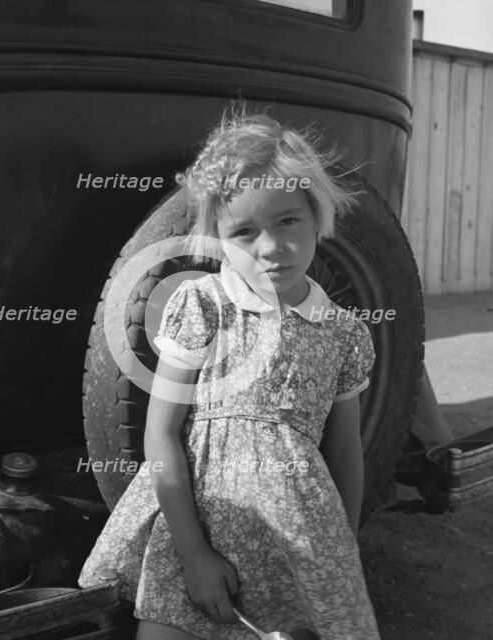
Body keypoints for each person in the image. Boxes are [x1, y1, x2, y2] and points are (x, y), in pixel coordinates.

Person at [78, 108, 381, 640]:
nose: (270, 247)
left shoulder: (343, 331)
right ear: (218, 237)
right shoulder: (202, 305)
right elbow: (161, 434)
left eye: (288, 219)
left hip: (301, 542)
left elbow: (345, 451)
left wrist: (342, 548)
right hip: (195, 531)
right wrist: (194, 555)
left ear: (316, 214)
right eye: (244, 231)